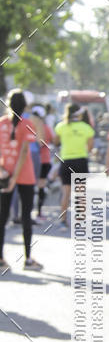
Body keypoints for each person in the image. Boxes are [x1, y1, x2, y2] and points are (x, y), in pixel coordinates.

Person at [0, 90, 43, 270]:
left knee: (2, 218)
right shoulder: (27, 123)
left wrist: (3, 172)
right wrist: (14, 179)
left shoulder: (1, 123)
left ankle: (1, 260)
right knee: (26, 217)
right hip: (24, 175)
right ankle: (27, 260)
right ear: (25, 106)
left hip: (4, 175)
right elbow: (25, 152)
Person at [54, 104, 95, 228]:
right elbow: (90, 146)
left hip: (66, 161)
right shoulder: (86, 127)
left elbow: (56, 141)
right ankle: (80, 221)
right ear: (80, 114)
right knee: (80, 192)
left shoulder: (61, 126)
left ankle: (63, 220)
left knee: (66, 192)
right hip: (80, 161)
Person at [31, 105, 53, 220]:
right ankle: (38, 212)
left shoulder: (26, 125)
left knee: (29, 187)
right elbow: (53, 140)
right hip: (44, 160)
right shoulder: (45, 127)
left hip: (29, 160)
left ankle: (28, 213)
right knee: (41, 186)